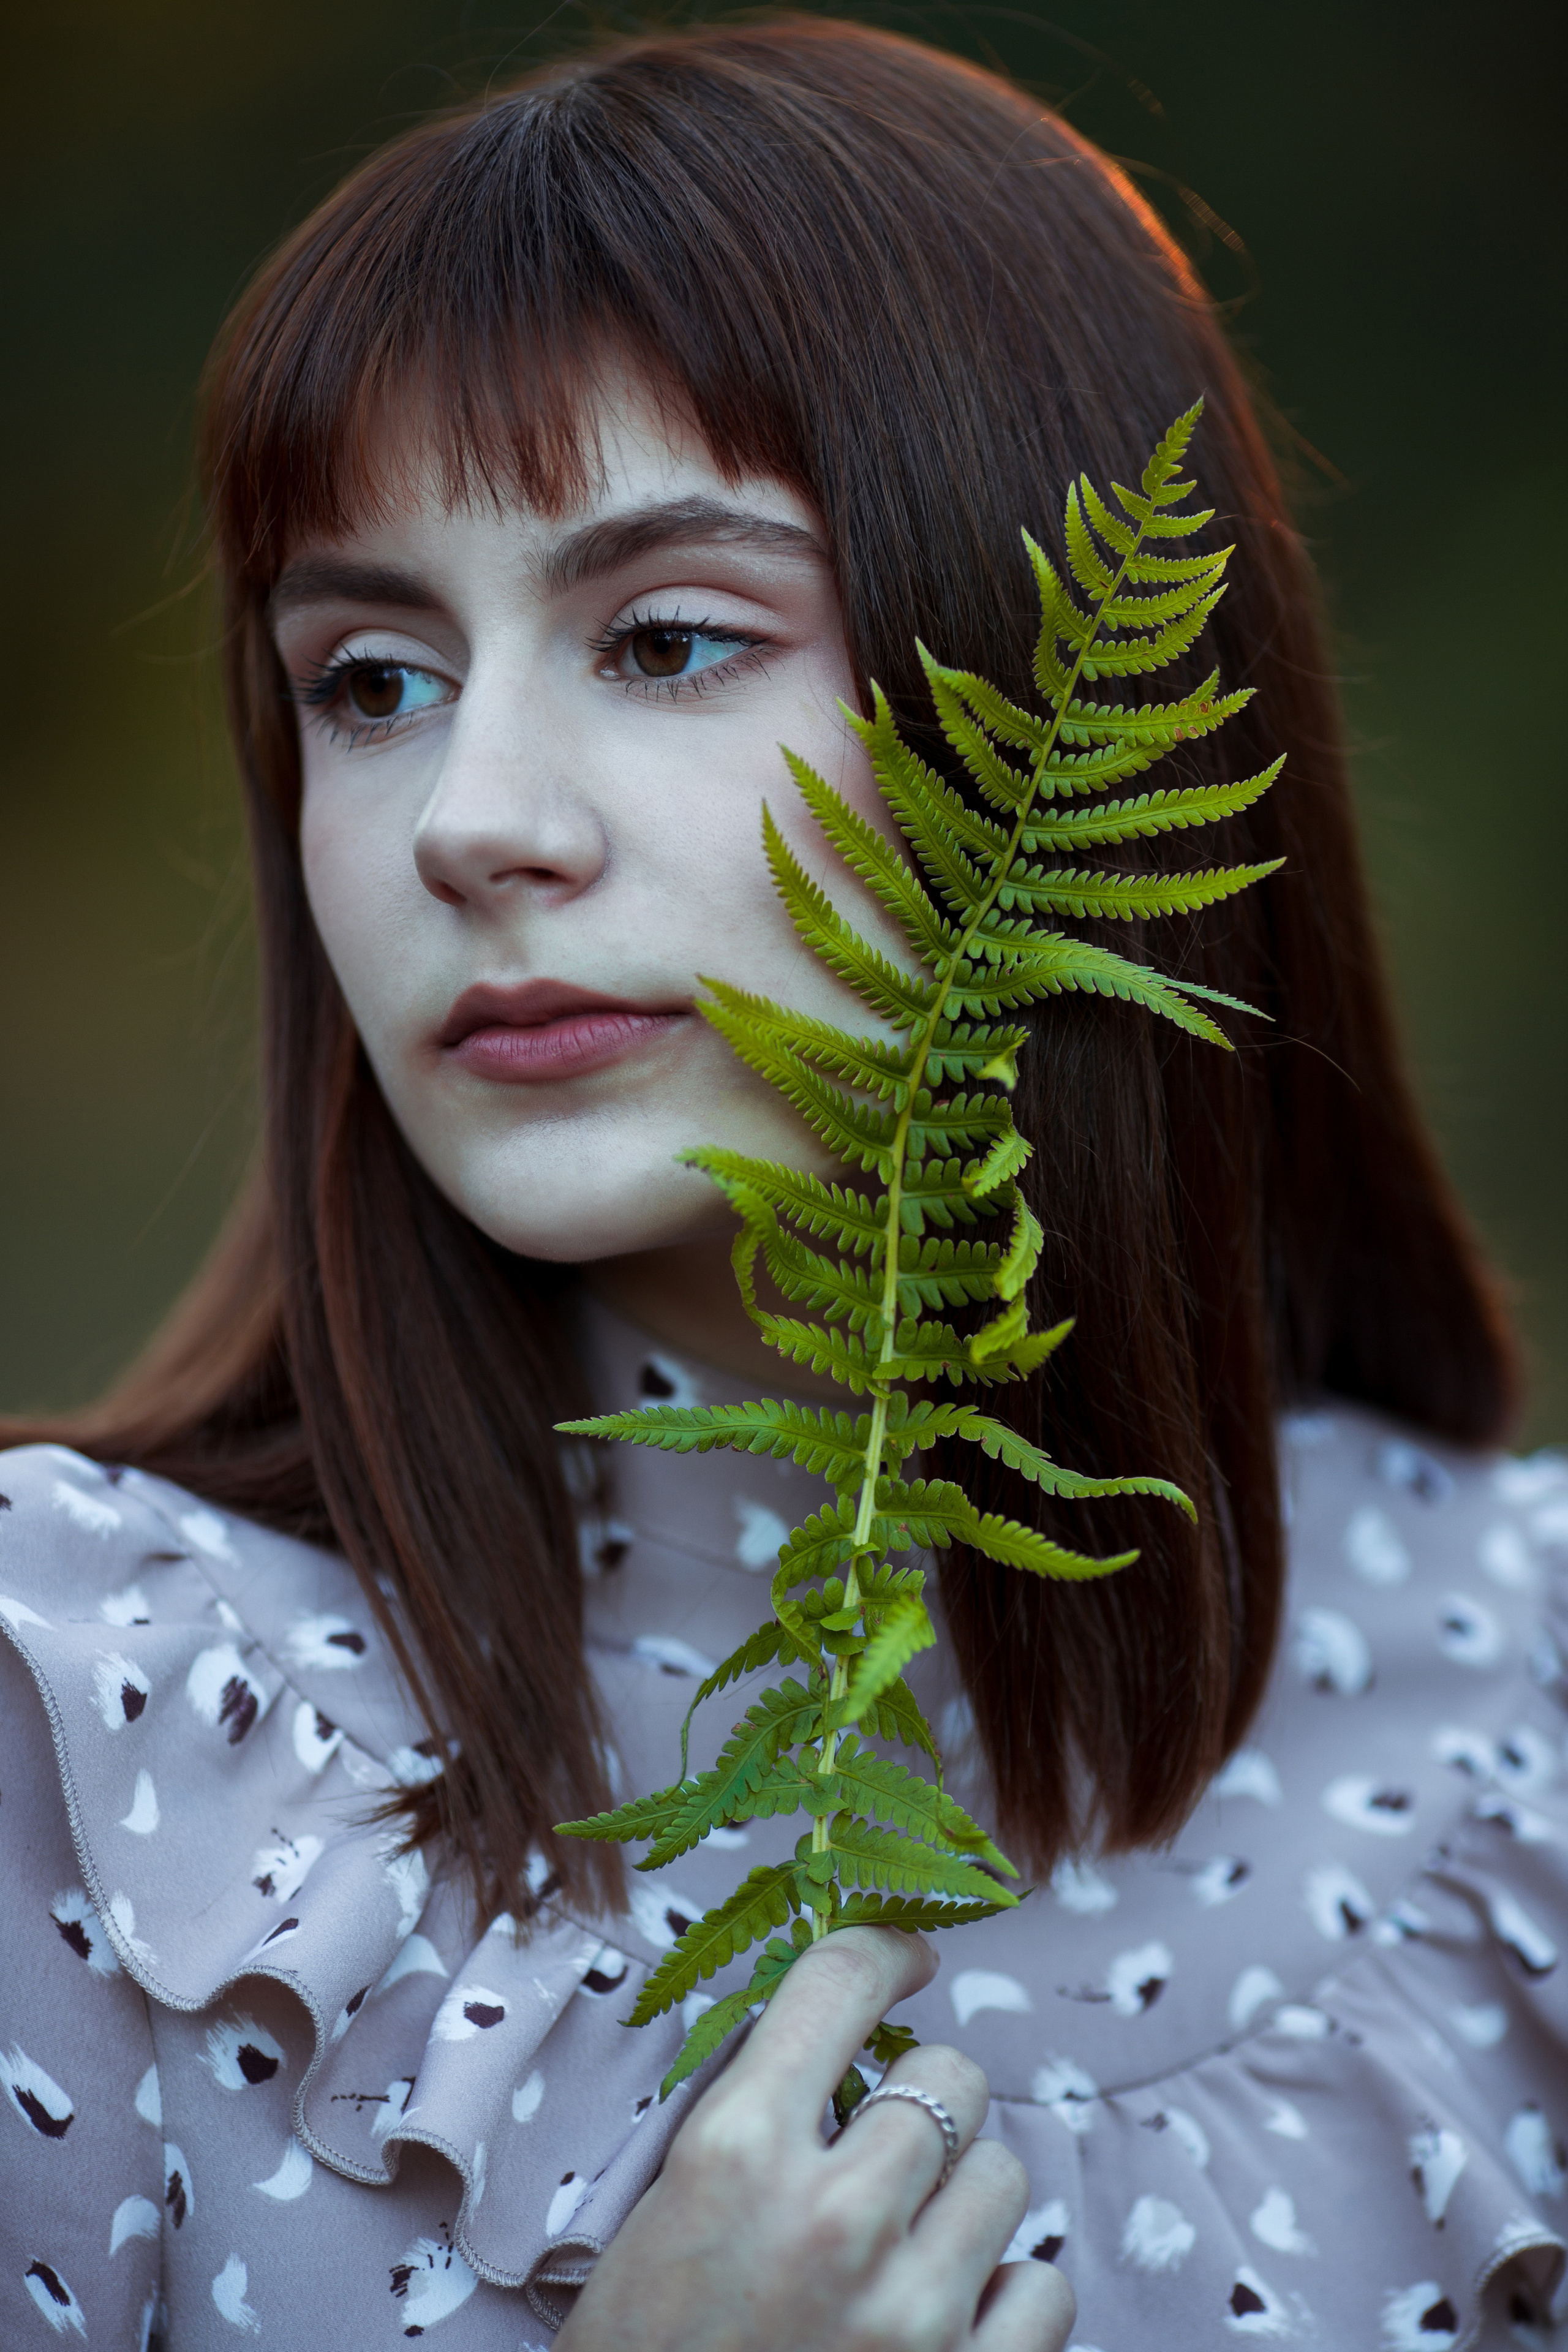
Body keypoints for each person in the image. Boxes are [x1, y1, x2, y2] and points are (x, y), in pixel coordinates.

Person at [2, 17, 1564, 2348]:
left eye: (665, 639)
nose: (469, 822)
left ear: (1070, 728)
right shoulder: (94, 1726)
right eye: (371, 680)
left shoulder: (1528, 1712)